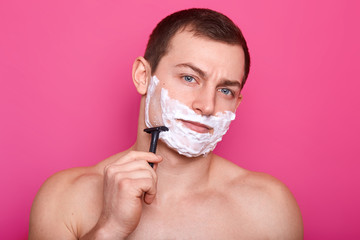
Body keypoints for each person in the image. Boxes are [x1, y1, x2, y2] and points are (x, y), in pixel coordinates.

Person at [29, 8, 303, 239]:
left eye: (225, 91)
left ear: (237, 104)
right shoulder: (64, 199)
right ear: (142, 76)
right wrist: (109, 228)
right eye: (189, 78)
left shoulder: (270, 207)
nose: (207, 106)